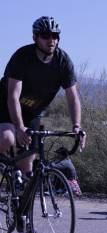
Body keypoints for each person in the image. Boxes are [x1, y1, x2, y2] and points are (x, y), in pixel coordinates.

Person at [0, 16, 85, 195]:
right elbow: (13, 96)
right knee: (7, 137)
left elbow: (73, 98)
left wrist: (77, 126)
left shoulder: (63, 61)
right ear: (35, 38)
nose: (51, 40)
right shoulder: (22, 57)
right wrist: (19, 127)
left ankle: (20, 214)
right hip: (5, 105)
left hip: (32, 112)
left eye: (55, 36)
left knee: (28, 160)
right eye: (46, 36)